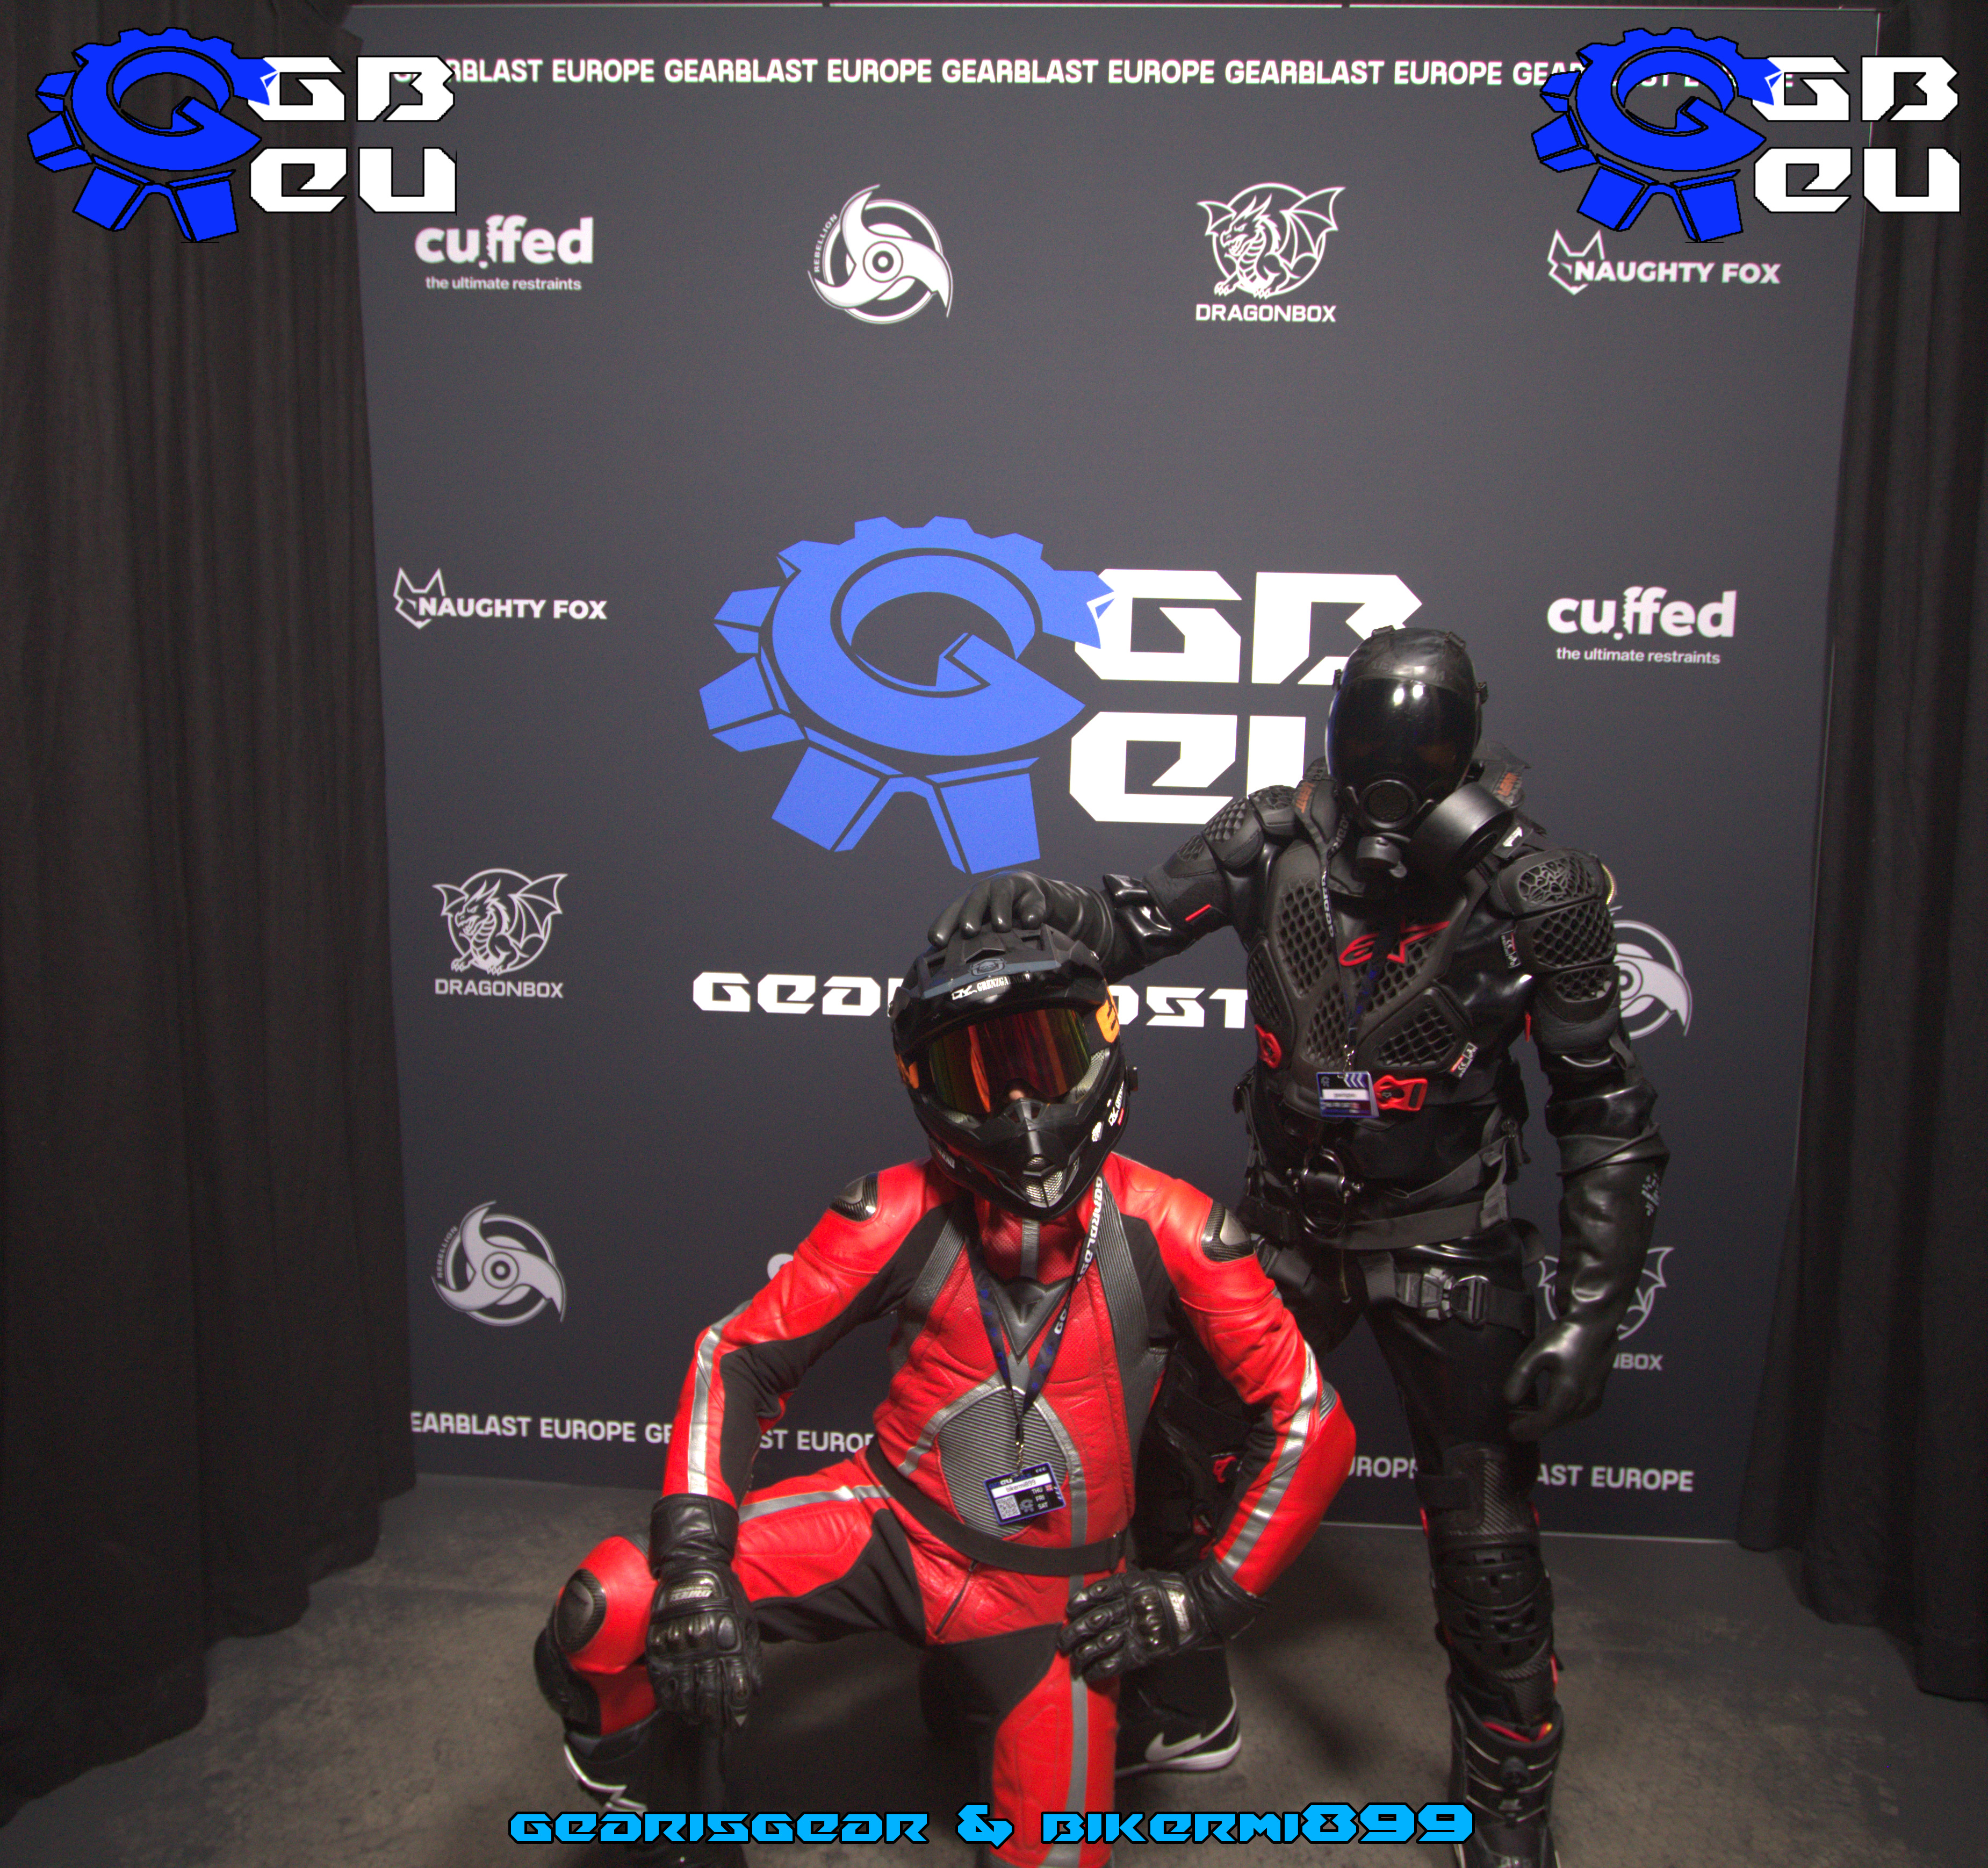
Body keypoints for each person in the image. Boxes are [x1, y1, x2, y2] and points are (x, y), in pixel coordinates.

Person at [926, 627, 1668, 1868]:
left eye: (1421, 755)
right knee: (1166, 1462)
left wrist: (1592, 1308)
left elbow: (1605, 1113)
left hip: (1448, 1239)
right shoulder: (1270, 844)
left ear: (1467, 755)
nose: (1388, 785)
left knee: (1484, 1537)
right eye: (1368, 749)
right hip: (1286, 1230)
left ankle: (1505, 1795)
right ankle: (1181, 1702)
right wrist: (1045, 905)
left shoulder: (1535, 895)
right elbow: (1128, 923)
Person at [532, 922, 1356, 1866]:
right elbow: (740, 1357)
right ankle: (674, 1821)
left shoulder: (1172, 1230)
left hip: (1053, 1603)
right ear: (928, 1094)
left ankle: (1022, 1705)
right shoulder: (893, 1213)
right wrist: (695, 1561)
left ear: (1103, 1050)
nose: (1023, 1110)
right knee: (618, 1607)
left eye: (1047, 1061)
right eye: (980, 1077)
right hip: (887, 1527)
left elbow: (1310, 1420)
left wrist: (1202, 1603)